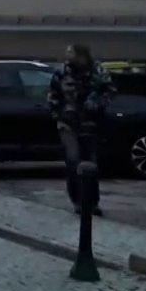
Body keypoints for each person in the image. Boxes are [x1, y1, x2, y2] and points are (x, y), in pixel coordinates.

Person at [48, 43, 114, 216]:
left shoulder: (98, 71)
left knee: (90, 163)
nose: (67, 55)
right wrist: (57, 114)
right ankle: (77, 200)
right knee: (72, 159)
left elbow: (109, 92)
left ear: (81, 55)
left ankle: (92, 202)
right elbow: (53, 94)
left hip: (89, 124)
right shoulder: (62, 72)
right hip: (67, 123)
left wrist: (97, 103)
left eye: (71, 52)